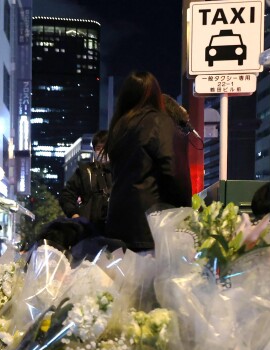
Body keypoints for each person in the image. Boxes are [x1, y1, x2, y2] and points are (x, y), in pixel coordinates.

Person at [105, 71, 191, 251]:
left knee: (126, 277)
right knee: (152, 278)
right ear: (154, 95)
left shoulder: (118, 126)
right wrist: (185, 210)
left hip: (117, 219)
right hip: (150, 223)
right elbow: (174, 171)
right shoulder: (159, 122)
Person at [59, 130, 113, 234]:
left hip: (115, 231)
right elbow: (66, 195)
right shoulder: (85, 171)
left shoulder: (121, 171)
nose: (102, 152)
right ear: (93, 150)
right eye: (98, 148)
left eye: (105, 148)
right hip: (88, 230)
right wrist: (75, 215)